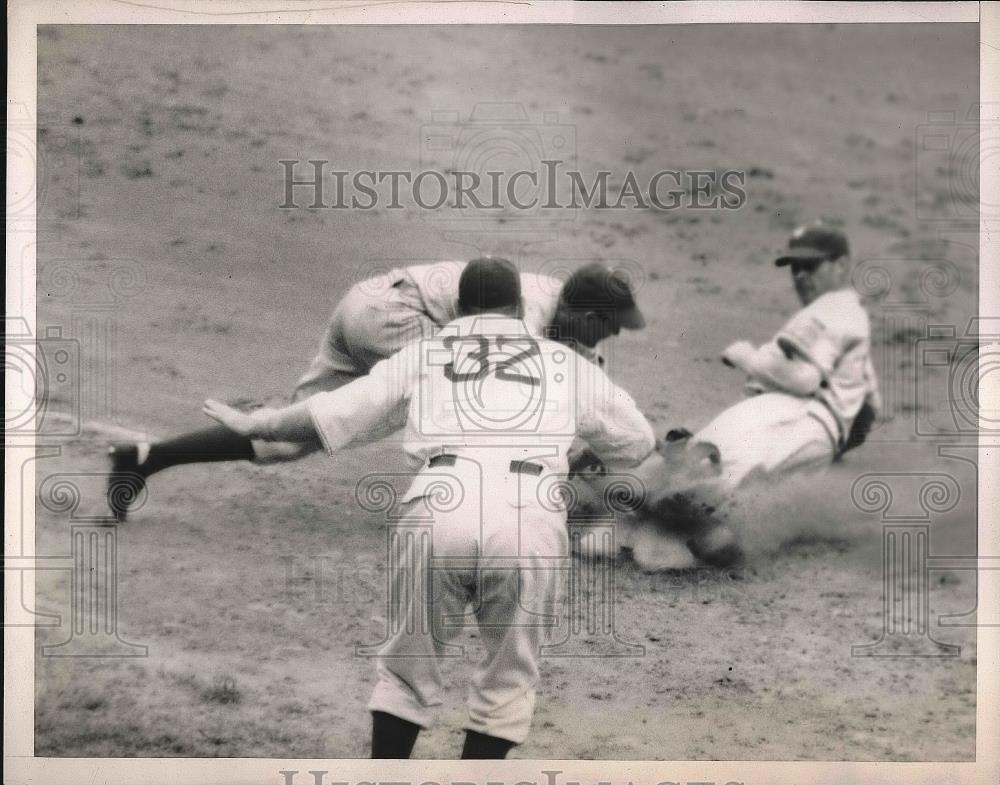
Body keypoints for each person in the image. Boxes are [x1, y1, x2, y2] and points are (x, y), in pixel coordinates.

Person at [202, 258, 655, 758]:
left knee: (405, 674)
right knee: (507, 685)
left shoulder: (426, 350)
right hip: (529, 513)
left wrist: (258, 424)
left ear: (458, 308)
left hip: (439, 503)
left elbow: (331, 411)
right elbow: (636, 441)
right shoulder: (567, 363)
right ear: (523, 307)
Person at [106, 258, 645, 520]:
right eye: (612, 324)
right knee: (440, 403)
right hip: (398, 315)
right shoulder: (521, 319)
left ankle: (147, 458)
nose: (615, 335)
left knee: (289, 440)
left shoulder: (562, 315)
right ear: (583, 312)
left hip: (363, 303)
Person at [570, 222, 882, 570]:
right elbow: (868, 412)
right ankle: (659, 532)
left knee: (700, 475)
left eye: (812, 266)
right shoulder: (849, 315)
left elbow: (804, 379)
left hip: (794, 414)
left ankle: (685, 530)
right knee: (702, 469)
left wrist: (750, 358)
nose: (801, 276)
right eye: (795, 267)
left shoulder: (829, 311)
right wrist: (835, 442)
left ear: (841, 265)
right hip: (802, 427)